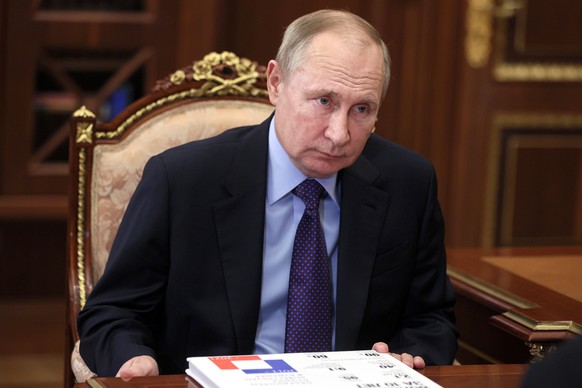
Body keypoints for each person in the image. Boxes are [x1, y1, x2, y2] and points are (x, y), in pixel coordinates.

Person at [78, 9, 458, 378]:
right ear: (276, 84)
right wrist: (135, 358)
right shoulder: (182, 180)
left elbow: (432, 318)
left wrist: (408, 356)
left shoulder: (409, 182)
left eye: (361, 109)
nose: (339, 134)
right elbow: (112, 312)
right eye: (324, 101)